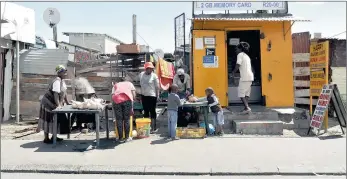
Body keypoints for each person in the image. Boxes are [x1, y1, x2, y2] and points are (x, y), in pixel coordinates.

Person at [36, 65, 70, 144]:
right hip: (47, 103)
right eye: (64, 72)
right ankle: (46, 138)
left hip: (53, 103)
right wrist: (58, 105)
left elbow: (64, 93)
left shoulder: (62, 81)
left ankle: (54, 136)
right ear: (60, 73)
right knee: (47, 119)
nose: (65, 73)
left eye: (65, 72)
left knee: (55, 120)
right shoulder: (57, 81)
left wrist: (67, 102)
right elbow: (55, 94)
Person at [231, 42, 254, 114]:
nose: (235, 50)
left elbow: (238, 64)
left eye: (236, 49)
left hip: (245, 77)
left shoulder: (240, 55)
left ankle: (247, 108)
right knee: (246, 93)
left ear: (240, 49)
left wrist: (233, 72)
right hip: (250, 77)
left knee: (241, 93)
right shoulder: (247, 56)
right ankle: (245, 107)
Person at [139, 62, 160, 133]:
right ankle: (146, 128)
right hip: (144, 95)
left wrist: (158, 96)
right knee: (145, 111)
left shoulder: (154, 76)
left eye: (151, 69)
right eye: (149, 69)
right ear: (146, 69)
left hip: (152, 96)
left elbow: (157, 87)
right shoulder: (141, 75)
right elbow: (135, 78)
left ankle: (154, 128)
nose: (150, 70)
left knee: (152, 111)